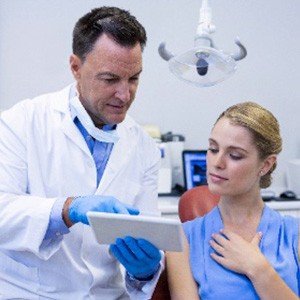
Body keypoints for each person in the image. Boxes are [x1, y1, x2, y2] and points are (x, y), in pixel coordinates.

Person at [0, 6, 163, 299]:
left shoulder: (144, 147)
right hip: (29, 293)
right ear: (76, 67)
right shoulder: (21, 122)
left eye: (134, 79)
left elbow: (146, 235)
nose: (124, 95)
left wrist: (146, 270)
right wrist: (67, 209)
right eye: (110, 79)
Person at [167, 102, 300, 299]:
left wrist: (259, 269)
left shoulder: (294, 235)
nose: (217, 163)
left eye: (235, 155)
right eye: (213, 149)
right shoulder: (181, 241)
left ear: (265, 165)